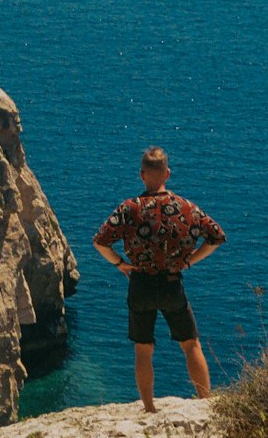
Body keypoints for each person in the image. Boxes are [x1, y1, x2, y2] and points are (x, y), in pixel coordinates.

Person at [93, 147, 225, 413]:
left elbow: (100, 242)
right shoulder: (187, 208)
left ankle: (150, 408)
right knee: (190, 344)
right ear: (168, 173)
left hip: (140, 283)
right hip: (172, 283)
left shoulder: (130, 208)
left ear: (142, 175)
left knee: (143, 349)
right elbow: (216, 237)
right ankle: (205, 402)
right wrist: (190, 260)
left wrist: (120, 263)